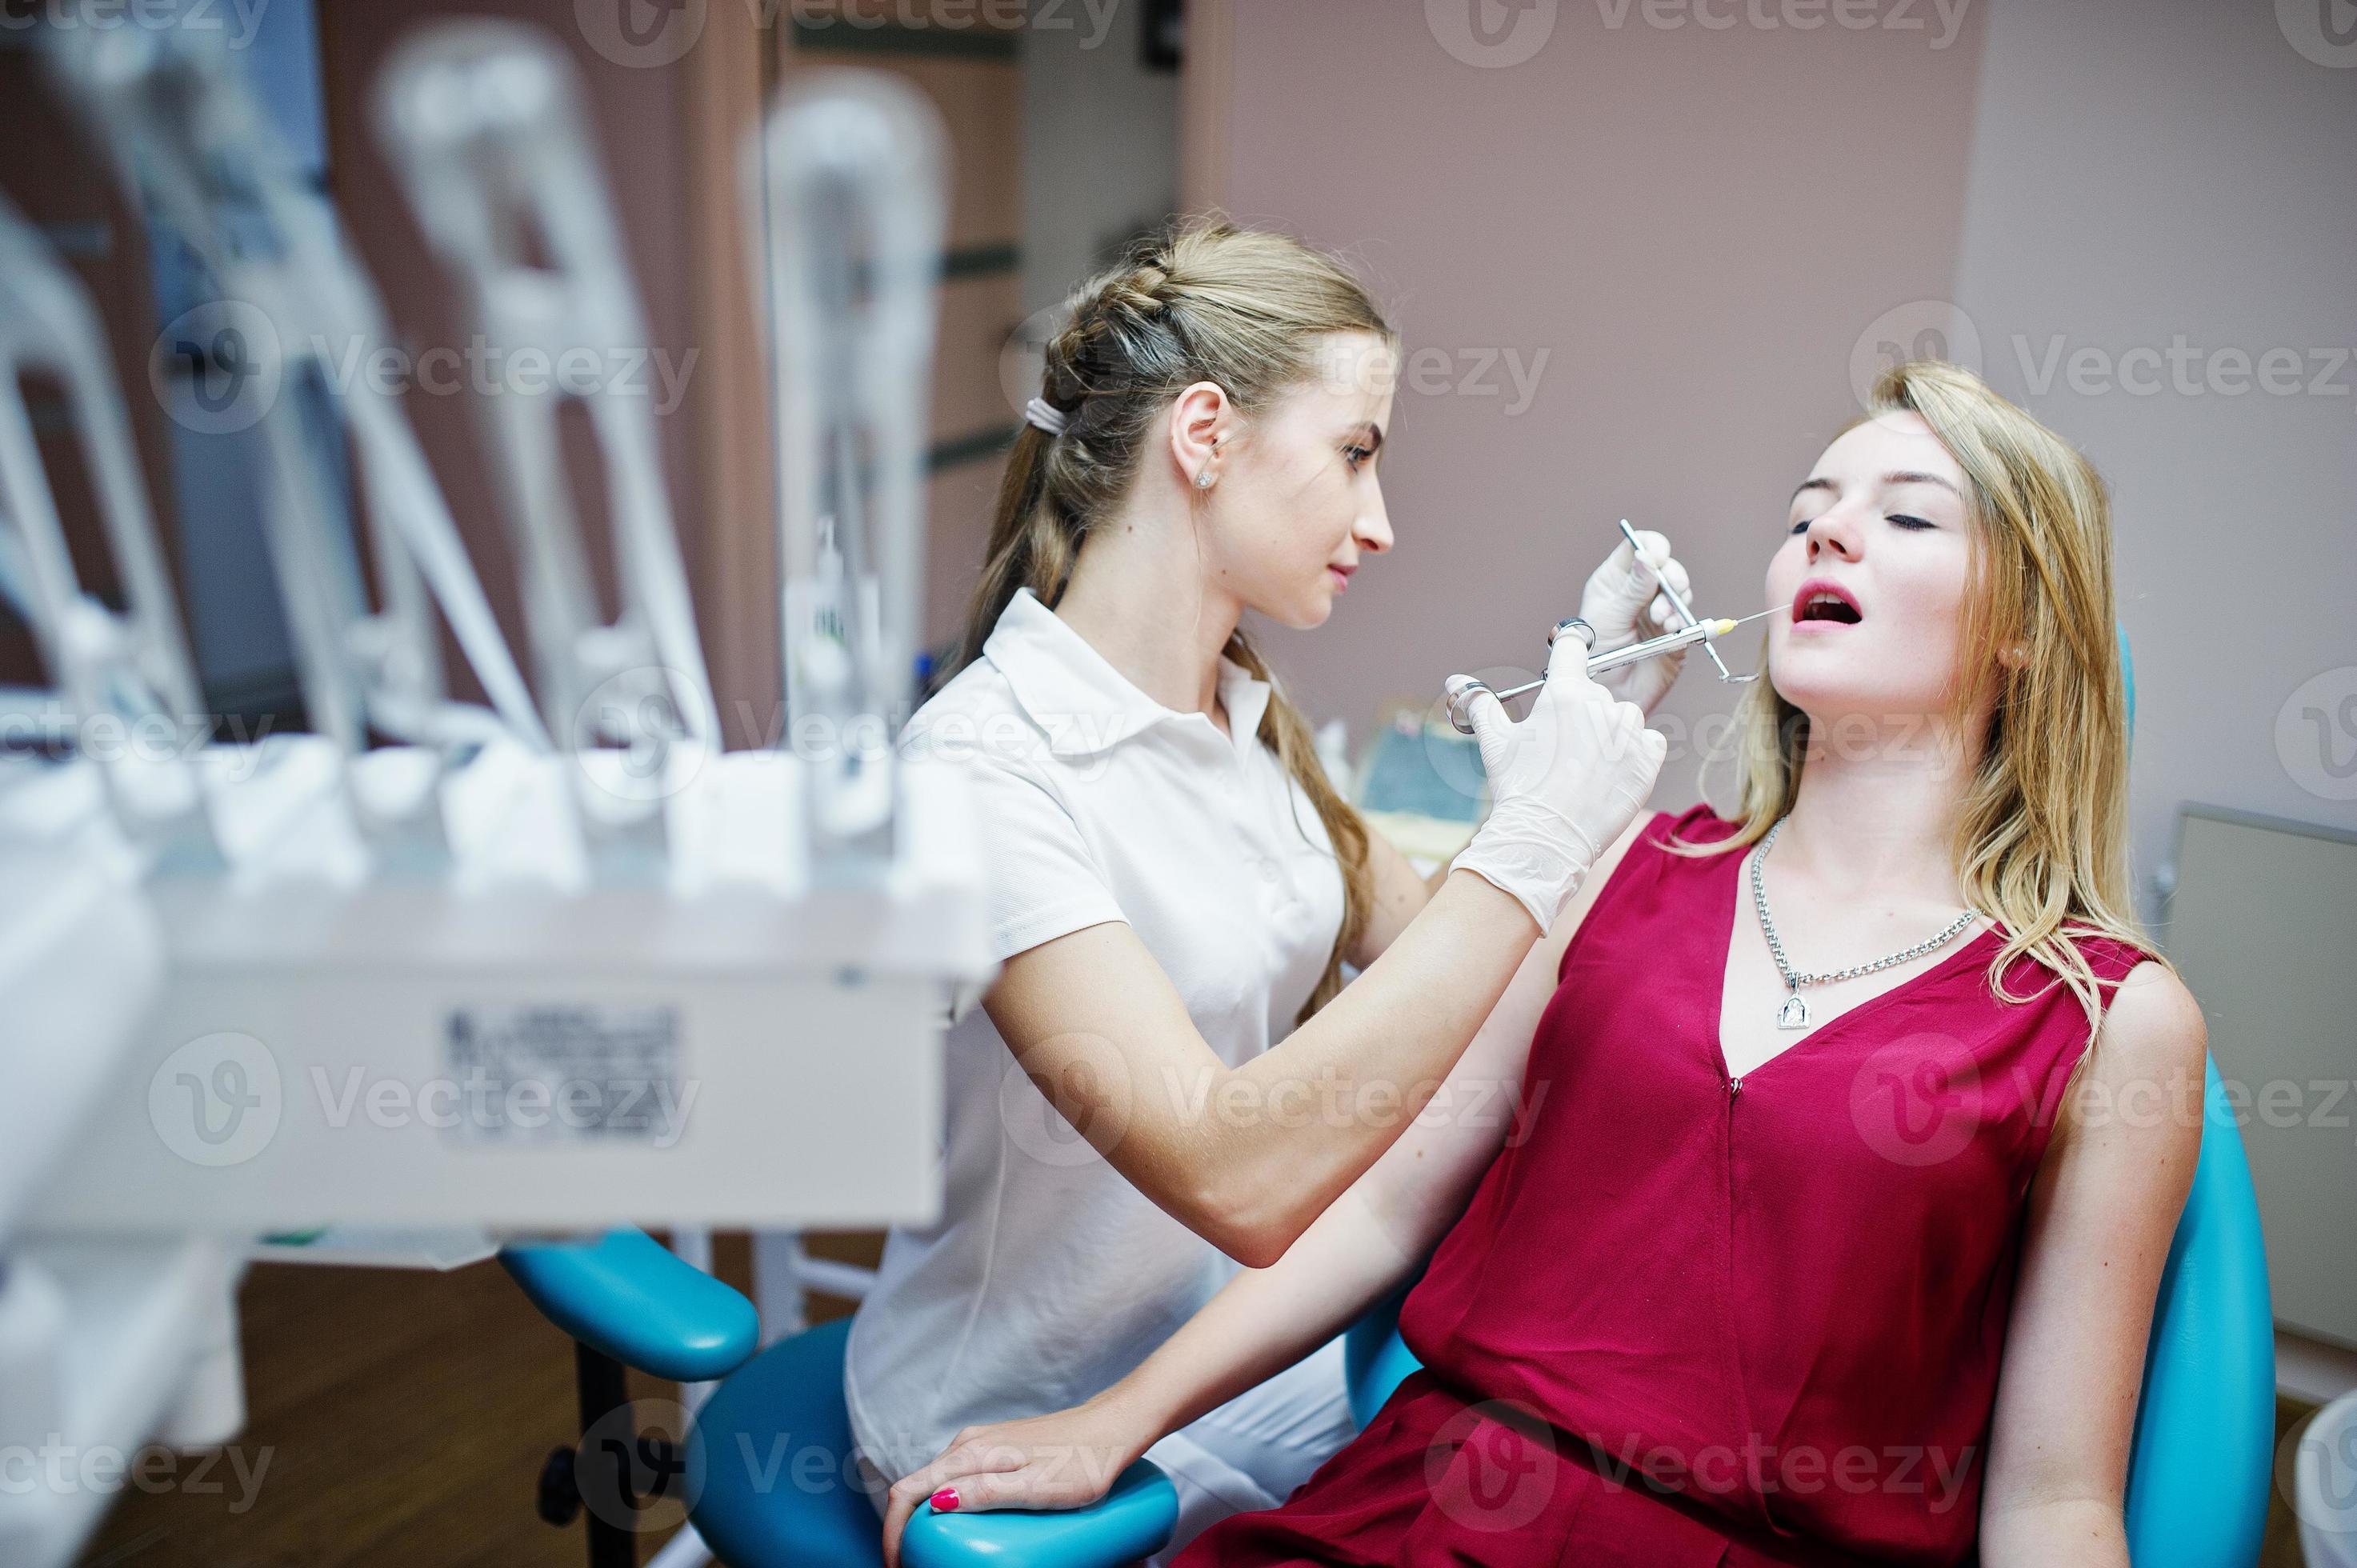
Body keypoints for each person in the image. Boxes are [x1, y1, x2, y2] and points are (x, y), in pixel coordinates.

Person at [882, 360, 2207, 1568]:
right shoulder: (1613, 875)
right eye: (1809, 506)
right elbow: (1376, 1212)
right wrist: (1110, 1422)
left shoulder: (2105, 1017)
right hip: (1424, 1517)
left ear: (2029, 627)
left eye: (1908, 516)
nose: (1826, 530)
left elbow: (2053, 1504)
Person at [846, 218, 1689, 1562]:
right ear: (1202, 435)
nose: (1381, 522)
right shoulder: (983, 773)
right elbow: (1230, 1173)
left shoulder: (1246, 720)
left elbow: (1466, 983)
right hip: (1018, 1421)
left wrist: (1595, 736)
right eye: (1356, 453)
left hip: (1245, 1379)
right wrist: (1521, 842)